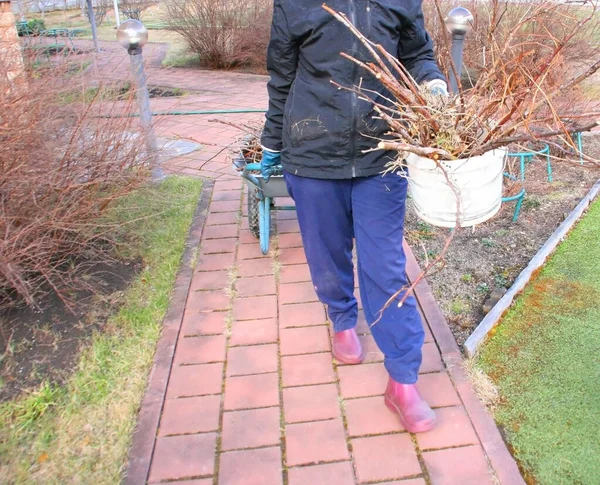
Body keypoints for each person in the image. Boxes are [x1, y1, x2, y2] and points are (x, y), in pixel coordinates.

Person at [260, 1, 447, 433]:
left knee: (385, 265)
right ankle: (342, 316)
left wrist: (432, 81)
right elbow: (282, 77)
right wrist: (273, 141)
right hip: (311, 150)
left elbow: (417, 55)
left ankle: (403, 380)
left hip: (382, 151)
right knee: (326, 253)